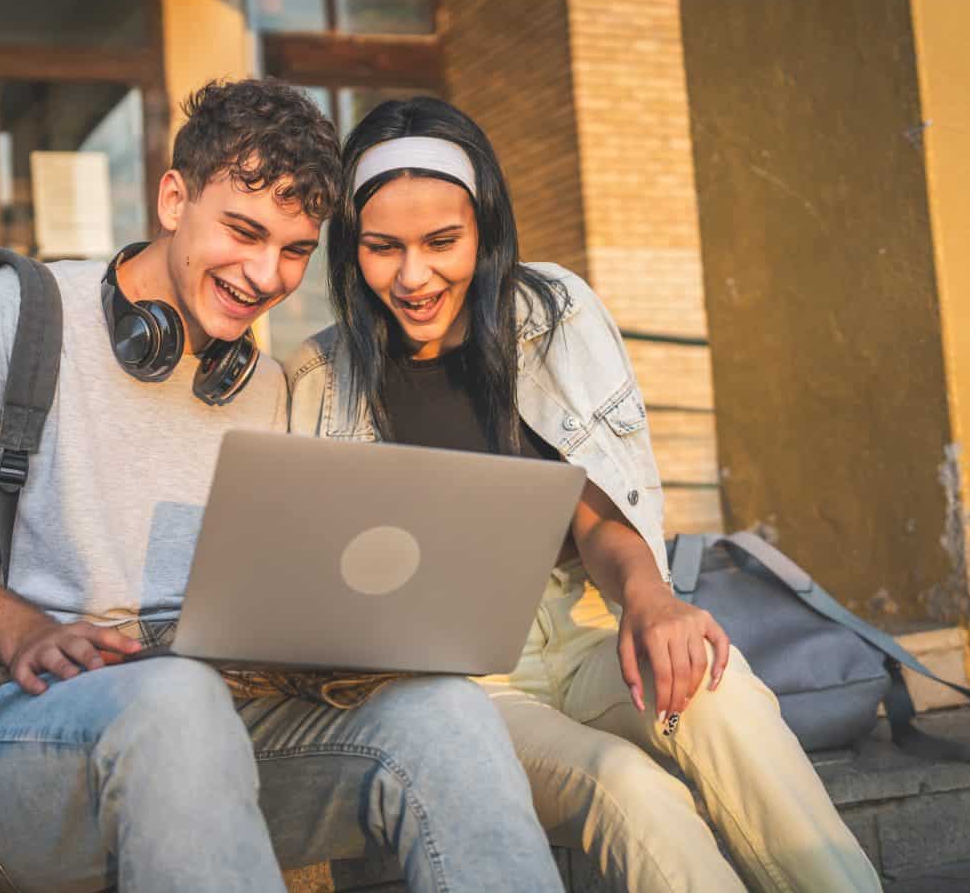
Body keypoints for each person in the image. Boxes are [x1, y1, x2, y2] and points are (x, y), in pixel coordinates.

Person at [0, 80, 564, 893]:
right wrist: (19, 628)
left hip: (230, 717)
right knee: (174, 698)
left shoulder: (271, 385)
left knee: (448, 715)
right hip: (32, 722)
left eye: (296, 249)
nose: (264, 274)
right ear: (173, 197)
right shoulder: (21, 310)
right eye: (243, 230)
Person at [286, 96, 882, 892]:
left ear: (486, 229)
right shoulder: (320, 381)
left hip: (586, 622)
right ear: (349, 250)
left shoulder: (552, 312)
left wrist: (650, 597)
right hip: (464, 682)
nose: (414, 275)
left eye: (442, 242)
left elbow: (597, 512)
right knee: (628, 786)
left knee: (719, 691)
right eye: (383, 248)